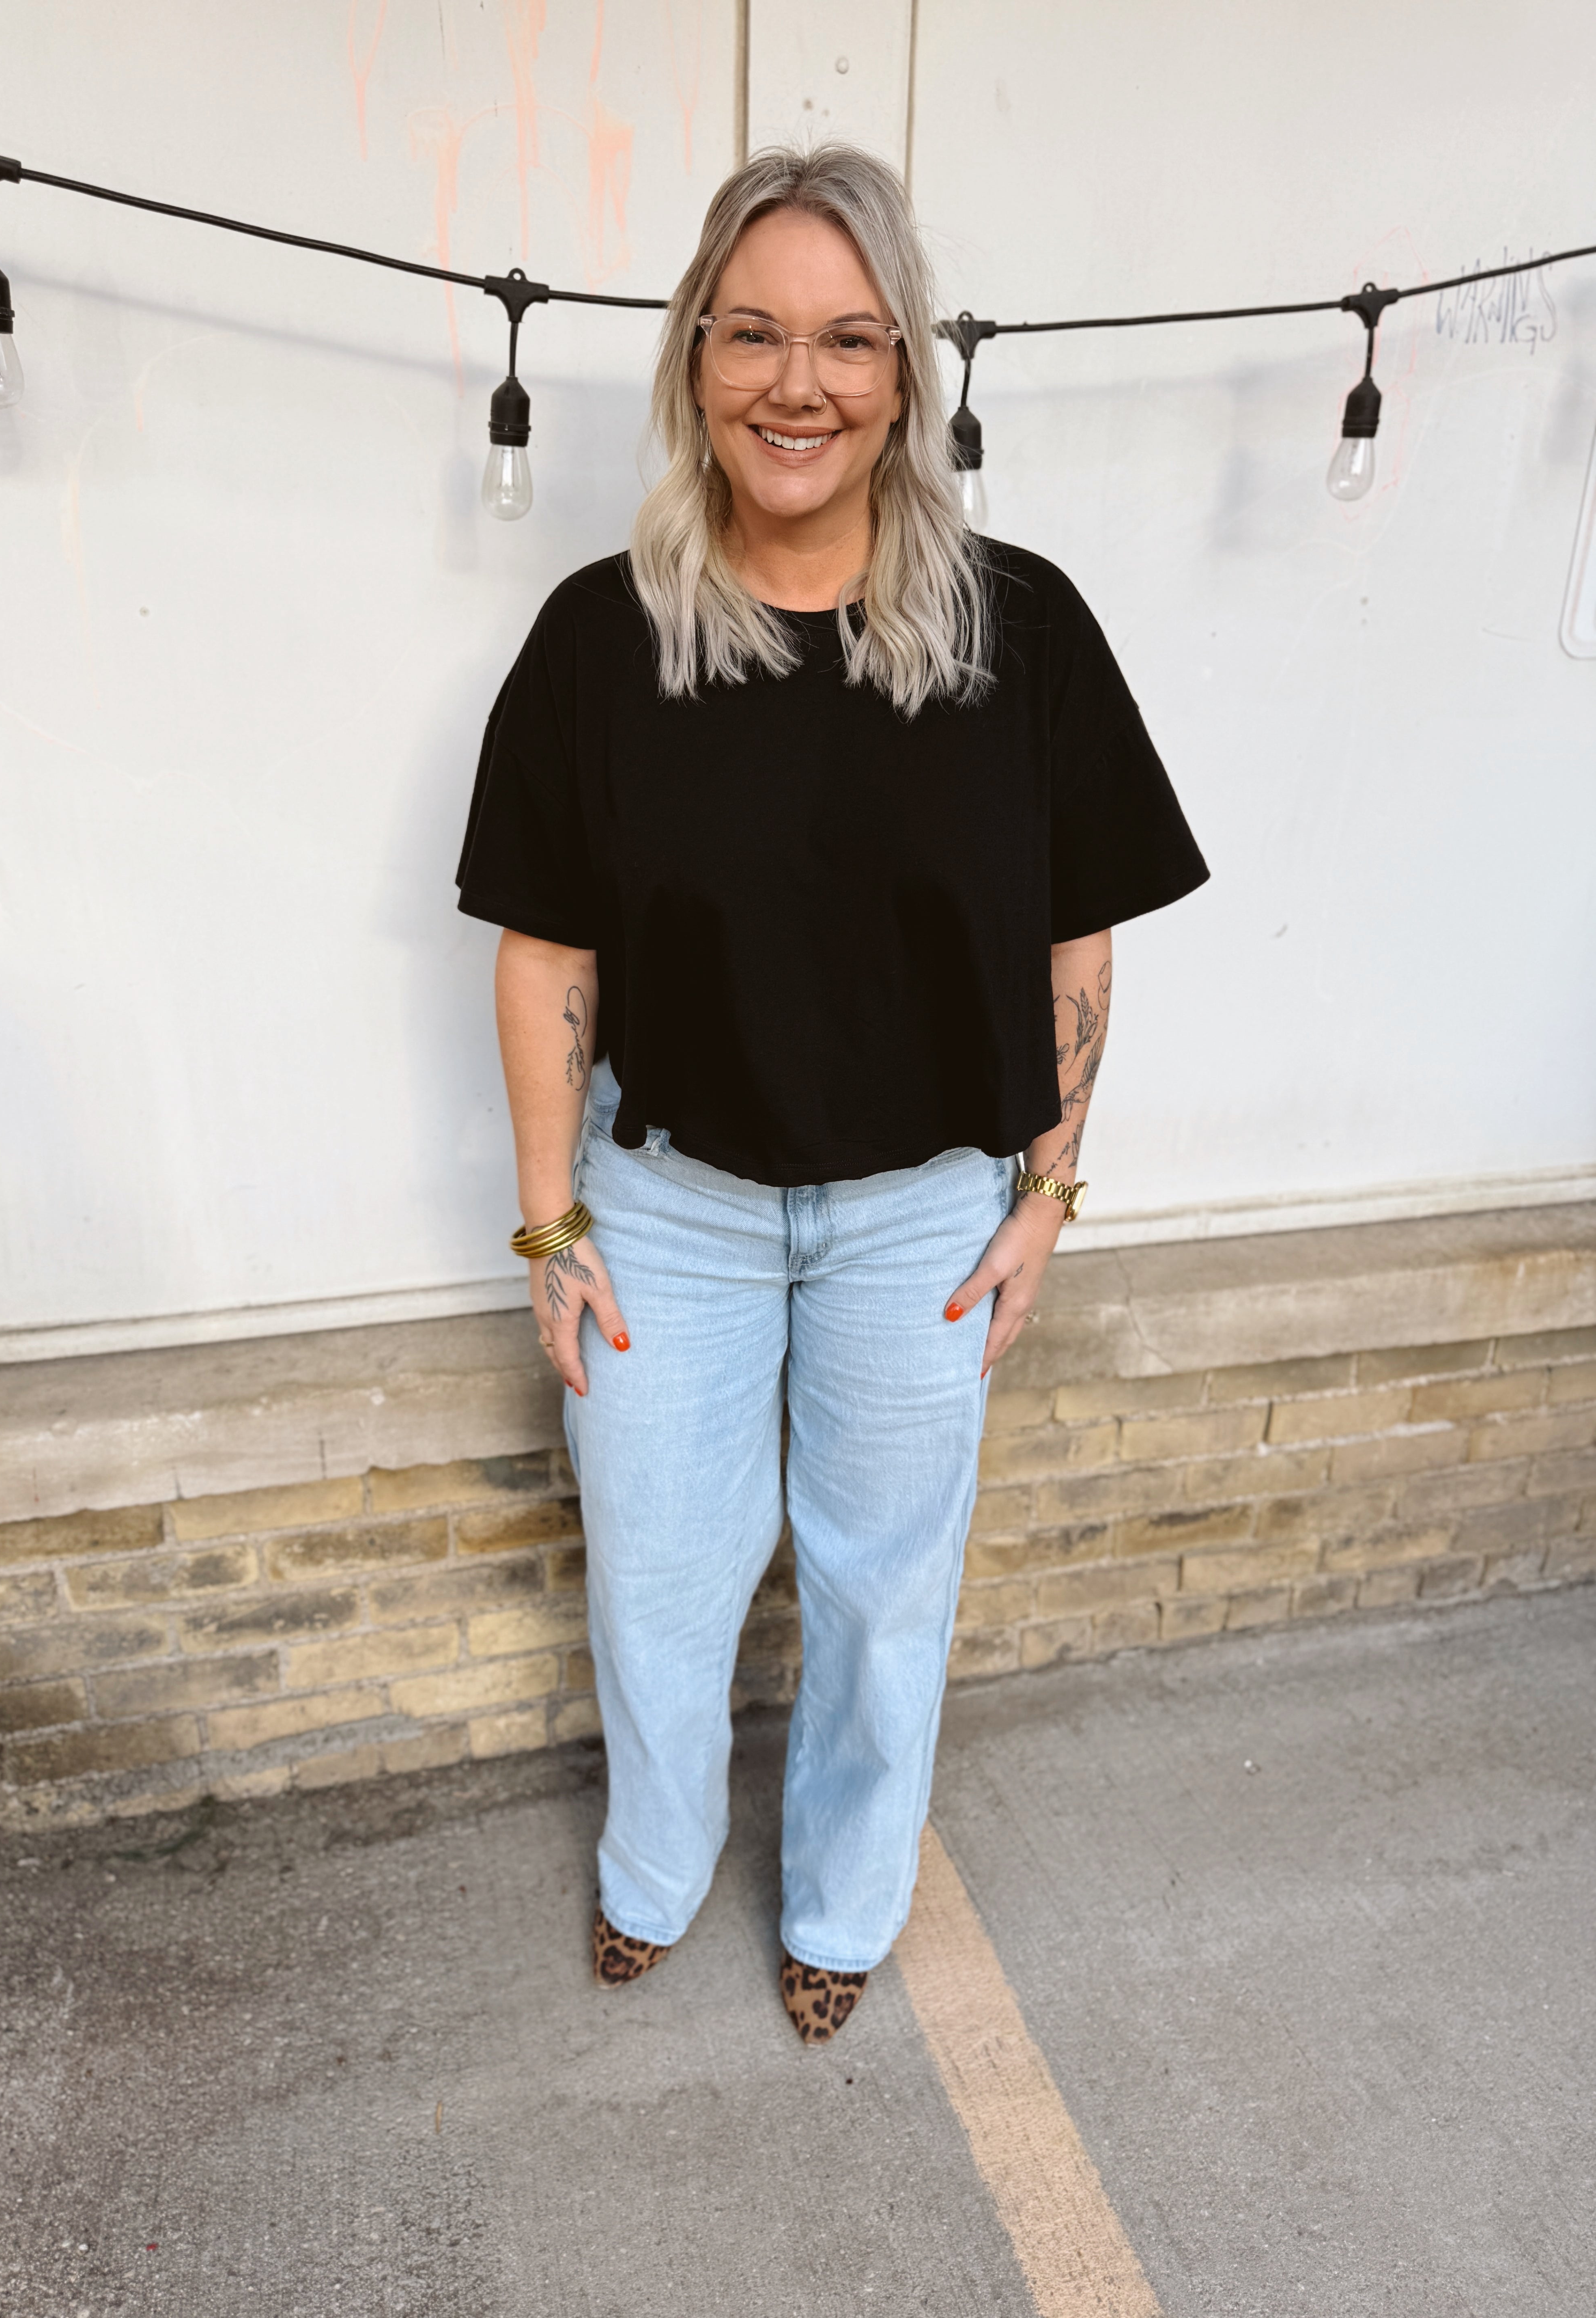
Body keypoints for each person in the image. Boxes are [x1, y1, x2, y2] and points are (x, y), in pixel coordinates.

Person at [456, 142, 1207, 2044]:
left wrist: (1050, 1189)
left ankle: (845, 1905)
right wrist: (551, 1226)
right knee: (658, 1584)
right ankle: (651, 1871)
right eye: (760, 336)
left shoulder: (1016, 631)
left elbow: (1077, 946)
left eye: (850, 341)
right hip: (675, 1215)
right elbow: (547, 958)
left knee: (883, 1603)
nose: (803, 385)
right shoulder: (599, 640)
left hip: (919, 1221)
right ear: (697, 357)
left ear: (905, 371)